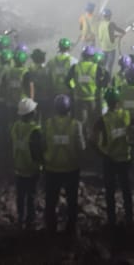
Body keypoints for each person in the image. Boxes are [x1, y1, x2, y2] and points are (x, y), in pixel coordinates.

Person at [91, 88, 134, 227]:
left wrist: (101, 154)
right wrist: (133, 143)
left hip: (110, 159)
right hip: (125, 158)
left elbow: (92, 140)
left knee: (110, 192)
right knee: (126, 190)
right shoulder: (127, 115)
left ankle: (112, 220)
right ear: (118, 101)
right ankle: (129, 218)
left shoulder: (102, 120)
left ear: (107, 102)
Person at [43, 95, 85, 237]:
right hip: (71, 169)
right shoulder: (76, 125)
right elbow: (81, 147)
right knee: (72, 201)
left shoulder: (48, 124)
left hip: (51, 168)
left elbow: (43, 145)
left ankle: (50, 229)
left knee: (50, 201)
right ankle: (70, 229)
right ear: (69, 109)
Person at [11, 97, 44, 230]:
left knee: (20, 195)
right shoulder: (34, 130)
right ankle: (30, 220)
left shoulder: (15, 126)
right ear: (31, 113)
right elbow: (38, 151)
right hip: (31, 169)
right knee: (31, 195)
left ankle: (20, 218)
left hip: (19, 167)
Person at [67, 45, 108, 128]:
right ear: (92, 56)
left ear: (82, 55)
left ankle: (82, 139)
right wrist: (100, 87)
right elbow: (105, 81)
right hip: (94, 100)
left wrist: (74, 88)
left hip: (79, 100)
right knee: (95, 124)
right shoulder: (97, 68)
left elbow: (67, 81)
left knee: (81, 124)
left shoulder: (75, 67)